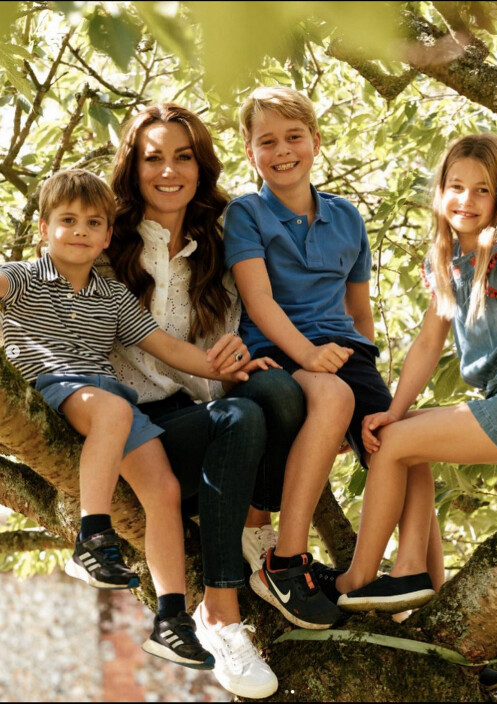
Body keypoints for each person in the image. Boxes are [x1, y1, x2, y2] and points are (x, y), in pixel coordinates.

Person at [0, 168, 272, 672]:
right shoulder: (19, 279)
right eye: (66, 220)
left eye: (92, 222)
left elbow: (167, 347)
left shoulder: (112, 294)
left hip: (107, 402)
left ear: (107, 235)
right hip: (50, 388)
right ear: (43, 228)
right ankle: (92, 537)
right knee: (114, 407)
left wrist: (224, 366)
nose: (79, 230)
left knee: (164, 490)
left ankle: (171, 620)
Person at [330, 72, 497, 614]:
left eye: (482, 189)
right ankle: (417, 580)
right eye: (456, 187)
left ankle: (356, 579)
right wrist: (394, 410)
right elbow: (424, 345)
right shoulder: (446, 262)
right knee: (404, 438)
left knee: (395, 447)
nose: (467, 199)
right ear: (440, 193)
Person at [223, 85, 445, 631]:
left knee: (405, 440)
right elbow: (259, 301)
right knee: (335, 395)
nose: (282, 151)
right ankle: (286, 559)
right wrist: (308, 355)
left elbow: (358, 313)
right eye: (266, 141)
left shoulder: (347, 218)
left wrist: (374, 380)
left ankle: (419, 580)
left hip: (346, 353)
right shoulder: (246, 214)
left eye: (293, 137)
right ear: (251, 153)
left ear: (316, 142)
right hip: (278, 349)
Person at [104, 103, 306, 700]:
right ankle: (219, 615)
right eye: (153, 158)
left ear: (201, 165)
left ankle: (254, 531)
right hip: (142, 425)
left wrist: (242, 359)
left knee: (276, 390)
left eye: (183, 156)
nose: (169, 170)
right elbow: (44, 277)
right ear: (133, 168)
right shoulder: (107, 236)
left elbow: (245, 323)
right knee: (239, 416)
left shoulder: (221, 238)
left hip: (212, 413)